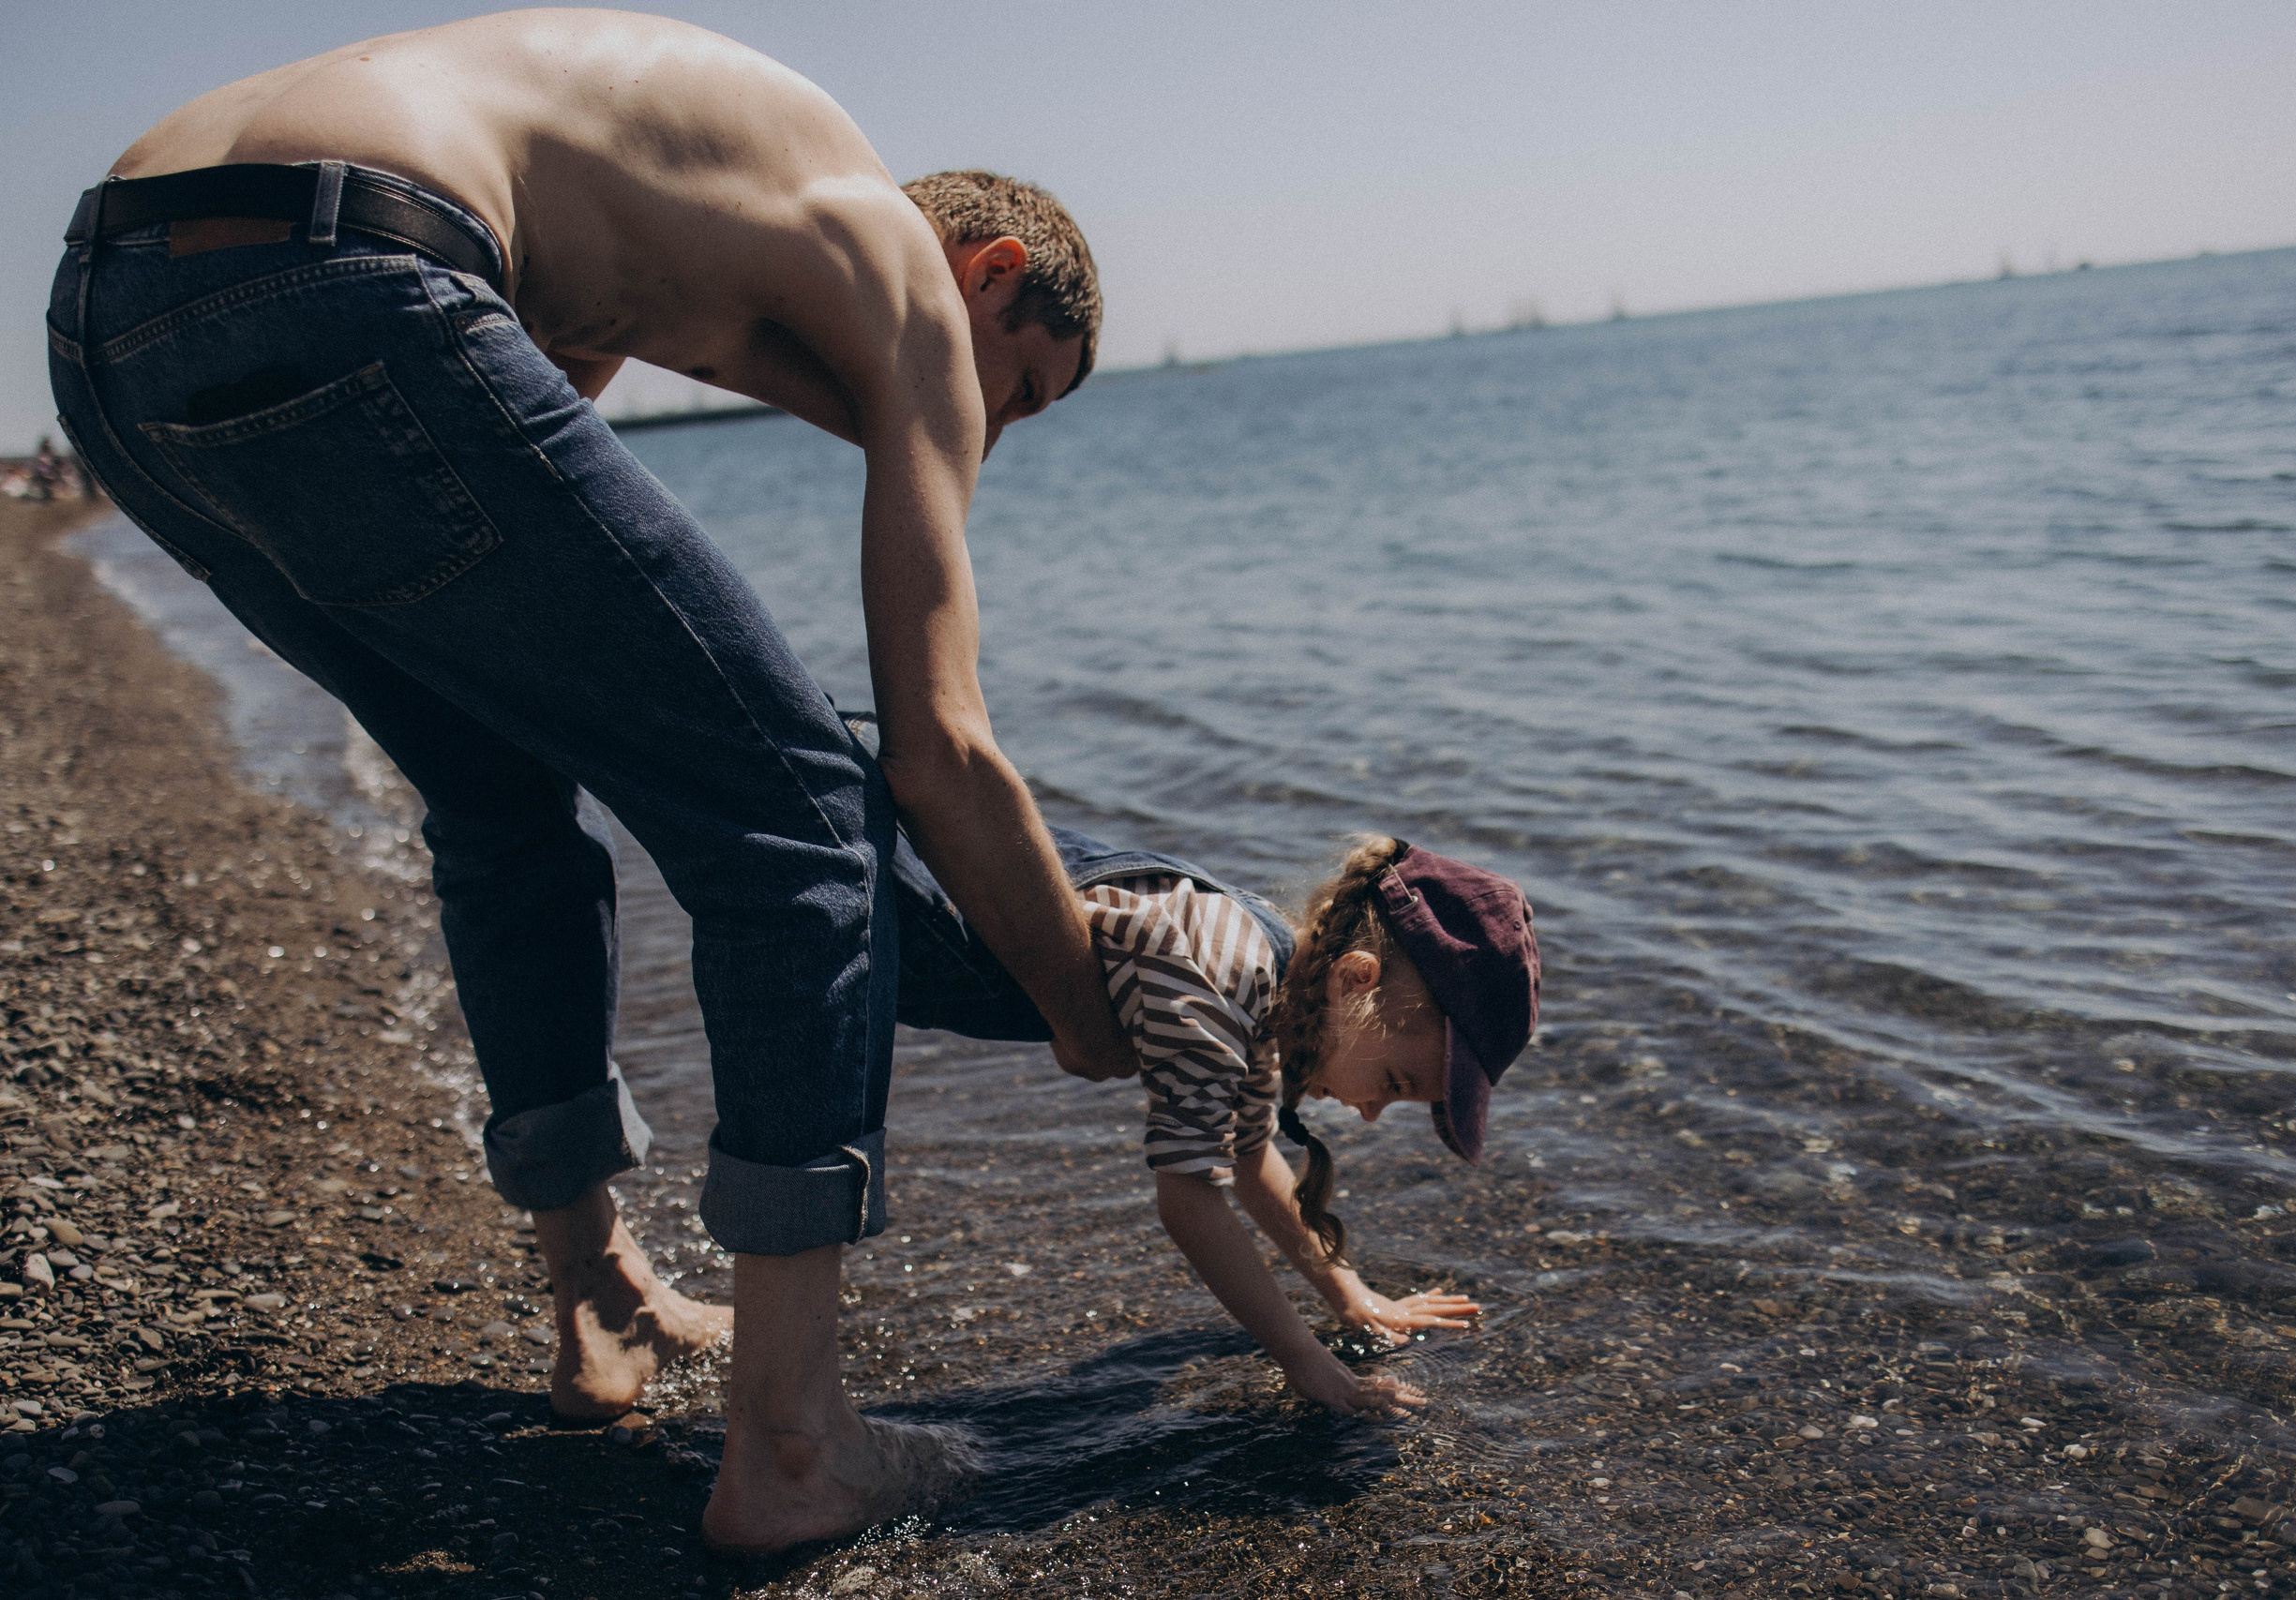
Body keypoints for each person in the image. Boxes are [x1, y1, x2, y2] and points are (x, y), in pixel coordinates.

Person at [47, 10, 1137, 1549]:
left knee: (495, 795)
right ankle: (797, 1442)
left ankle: (599, 1298)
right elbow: (936, 754)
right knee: (802, 826)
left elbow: (527, 525)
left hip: (110, 319)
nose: (990, 438)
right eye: (1019, 392)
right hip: (362, 261)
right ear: (994, 270)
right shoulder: (893, 252)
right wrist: (1084, 1007)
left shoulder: (676, 221)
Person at [890, 812, 1542, 1415]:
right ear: (1355, 980)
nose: (1372, 1113)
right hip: (898, 887)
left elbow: (1249, 1154)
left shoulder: (1268, 975)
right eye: (1394, 1082)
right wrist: (1308, 1364)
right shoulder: (1225, 979)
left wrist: (1351, 1296)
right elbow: (1189, 1203)